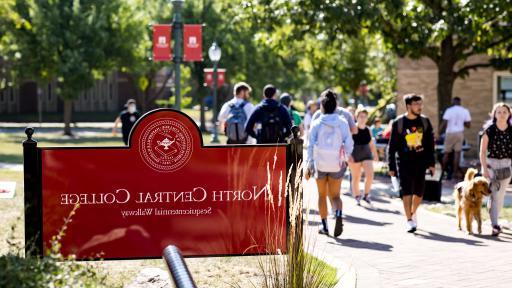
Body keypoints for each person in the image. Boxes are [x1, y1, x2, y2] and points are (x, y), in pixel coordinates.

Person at [306, 89, 354, 237]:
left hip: (320, 164)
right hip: (336, 164)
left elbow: (310, 145)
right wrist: (345, 158)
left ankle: (325, 226)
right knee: (336, 196)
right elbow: (349, 144)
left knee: (322, 195)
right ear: (335, 106)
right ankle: (338, 213)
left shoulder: (316, 123)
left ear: (322, 106)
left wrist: (309, 164)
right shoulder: (343, 122)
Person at [387, 94, 435, 233]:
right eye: (416, 104)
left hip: (421, 162)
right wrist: (391, 166)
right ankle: (409, 220)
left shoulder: (425, 122)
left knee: (419, 193)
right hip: (404, 162)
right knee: (406, 191)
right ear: (408, 106)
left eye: (420, 104)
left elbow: (430, 145)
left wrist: (431, 163)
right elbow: (392, 147)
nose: (420, 107)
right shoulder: (399, 123)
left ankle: (413, 213)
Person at [479, 102, 512, 236]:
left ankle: (494, 219)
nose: (502, 114)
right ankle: (495, 225)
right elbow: (482, 151)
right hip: (492, 164)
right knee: (494, 194)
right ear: (494, 114)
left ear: (509, 114)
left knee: (500, 195)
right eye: (499, 112)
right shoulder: (489, 130)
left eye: (505, 112)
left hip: (507, 165)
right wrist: (484, 168)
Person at [348, 108, 379, 205]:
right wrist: (348, 155)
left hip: (366, 154)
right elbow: (347, 143)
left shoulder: (368, 129)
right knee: (356, 177)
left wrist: (375, 154)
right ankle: (357, 196)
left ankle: (366, 195)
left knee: (370, 175)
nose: (363, 119)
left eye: (365, 117)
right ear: (356, 117)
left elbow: (371, 143)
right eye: (361, 116)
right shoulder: (352, 129)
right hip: (354, 154)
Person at [438, 97, 471, 179]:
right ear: (460, 102)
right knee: (457, 153)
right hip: (459, 133)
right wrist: (461, 121)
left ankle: (442, 172)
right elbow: (468, 125)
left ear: (453, 101)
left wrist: (438, 132)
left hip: (450, 133)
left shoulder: (449, 110)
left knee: (446, 153)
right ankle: (455, 173)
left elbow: (444, 123)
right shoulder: (464, 111)